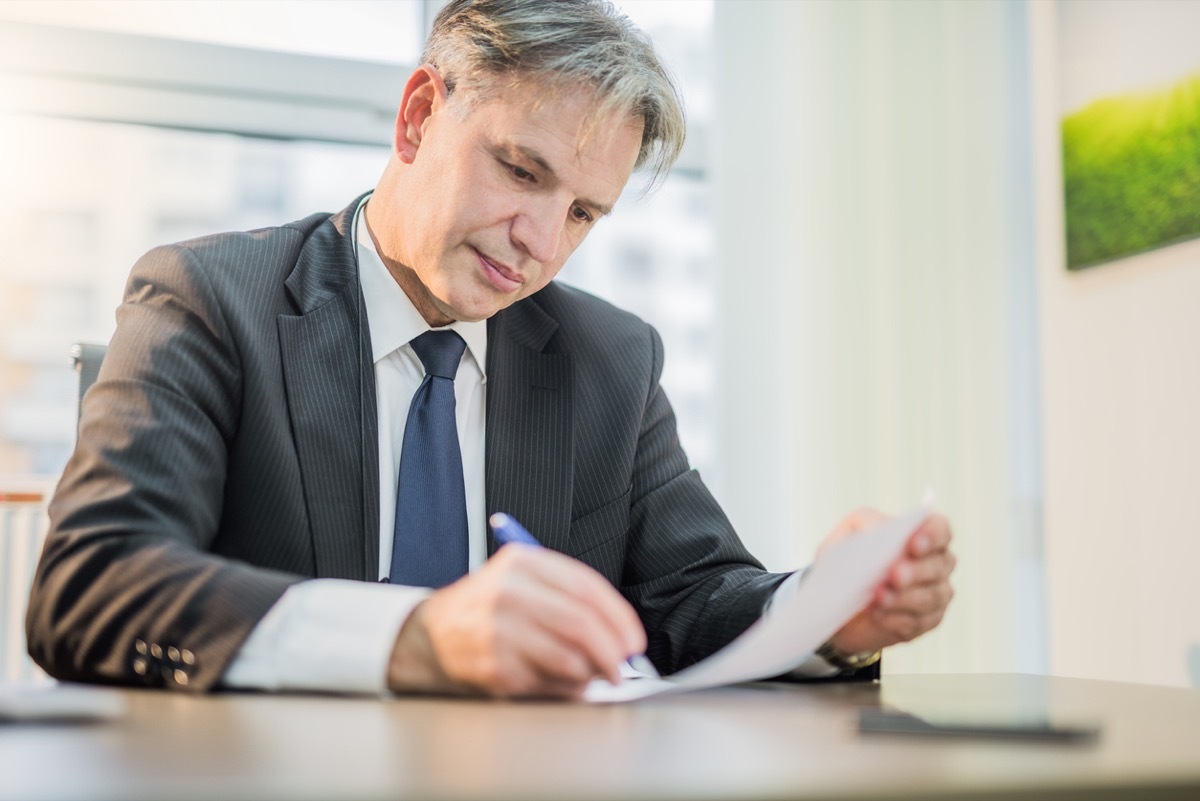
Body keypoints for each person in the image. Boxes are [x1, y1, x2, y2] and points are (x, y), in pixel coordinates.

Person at [26, 0, 955, 699]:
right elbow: (88, 584)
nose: (540, 242)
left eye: (583, 212)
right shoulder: (209, 298)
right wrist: (413, 635)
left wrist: (823, 612)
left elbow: (689, 596)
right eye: (522, 170)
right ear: (419, 116)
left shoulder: (612, 360)